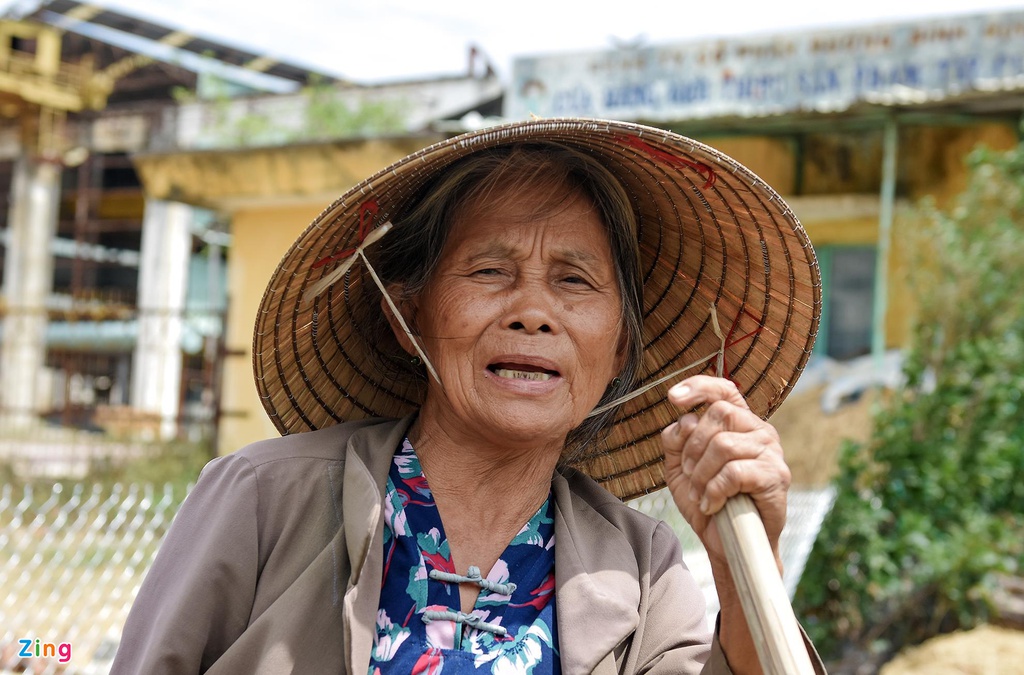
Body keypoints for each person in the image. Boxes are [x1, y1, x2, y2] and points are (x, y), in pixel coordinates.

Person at [112, 118, 824, 674]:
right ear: (407, 316)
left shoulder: (638, 565)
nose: (533, 311)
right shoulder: (264, 498)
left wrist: (741, 561)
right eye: (490, 270)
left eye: (575, 281)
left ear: (618, 353)